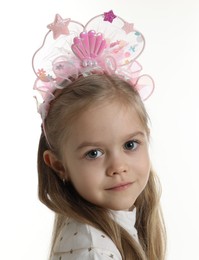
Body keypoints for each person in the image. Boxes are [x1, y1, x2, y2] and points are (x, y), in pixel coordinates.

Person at [32, 11, 166, 260]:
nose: (118, 166)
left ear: (146, 137)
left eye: (130, 144)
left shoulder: (108, 230)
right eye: (94, 153)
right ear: (59, 165)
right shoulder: (93, 248)